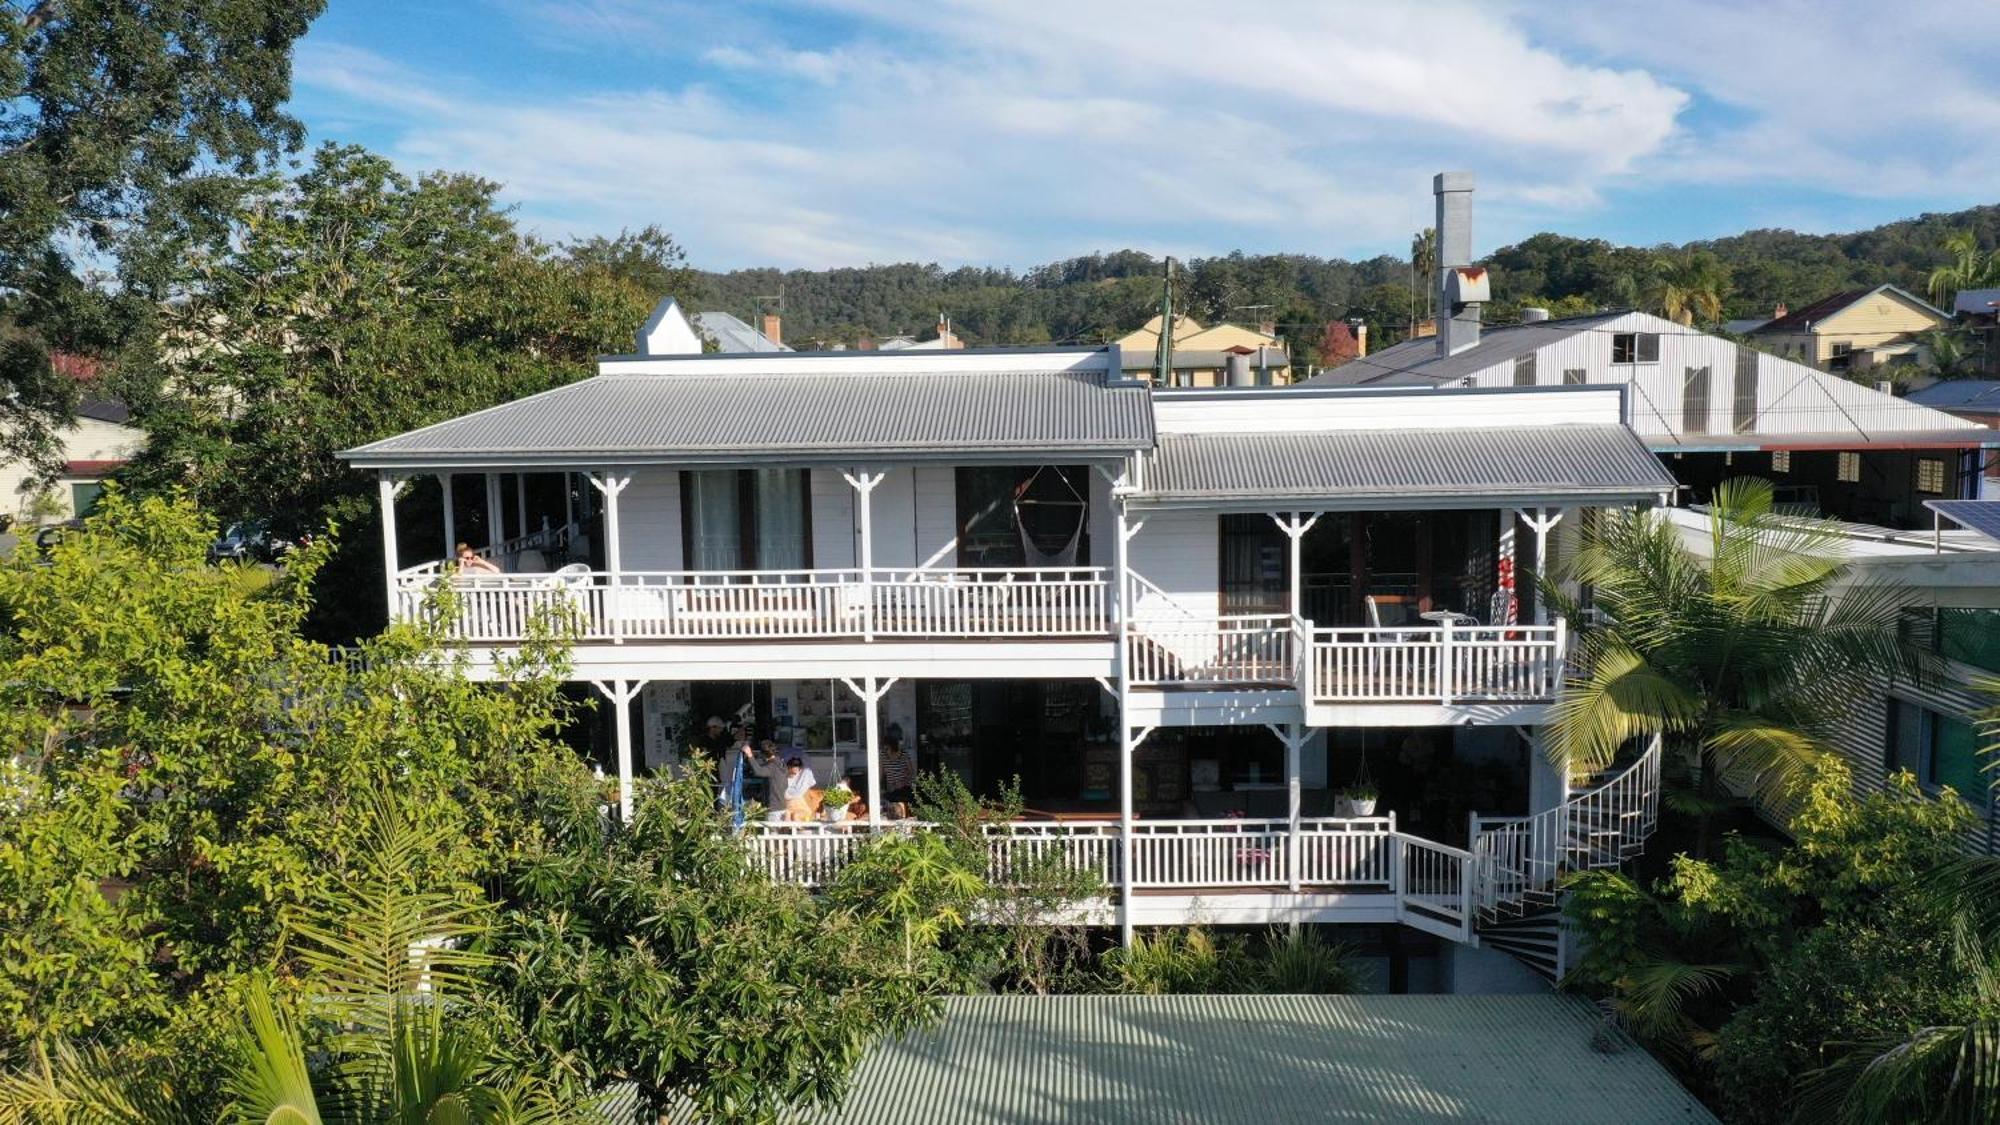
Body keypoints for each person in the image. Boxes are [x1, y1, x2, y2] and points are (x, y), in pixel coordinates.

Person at [879, 736, 917, 817]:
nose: (886, 750)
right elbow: (881, 772)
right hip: (891, 789)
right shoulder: (883, 755)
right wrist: (879, 786)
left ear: (892, 746)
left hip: (904, 788)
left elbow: (911, 772)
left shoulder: (903, 754)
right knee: (892, 811)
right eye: (884, 748)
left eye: (887, 748)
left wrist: (902, 783)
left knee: (904, 811)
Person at [779, 756, 817, 821]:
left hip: (800, 807)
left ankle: (798, 830)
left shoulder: (803, 777)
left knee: (795, 815)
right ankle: (788, 830)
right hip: (787, 806)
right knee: (787, 814)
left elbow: (811, 780)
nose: (796, 768)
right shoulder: (783, 778)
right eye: (794, 766)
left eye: (797, 766)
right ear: (789, 767)